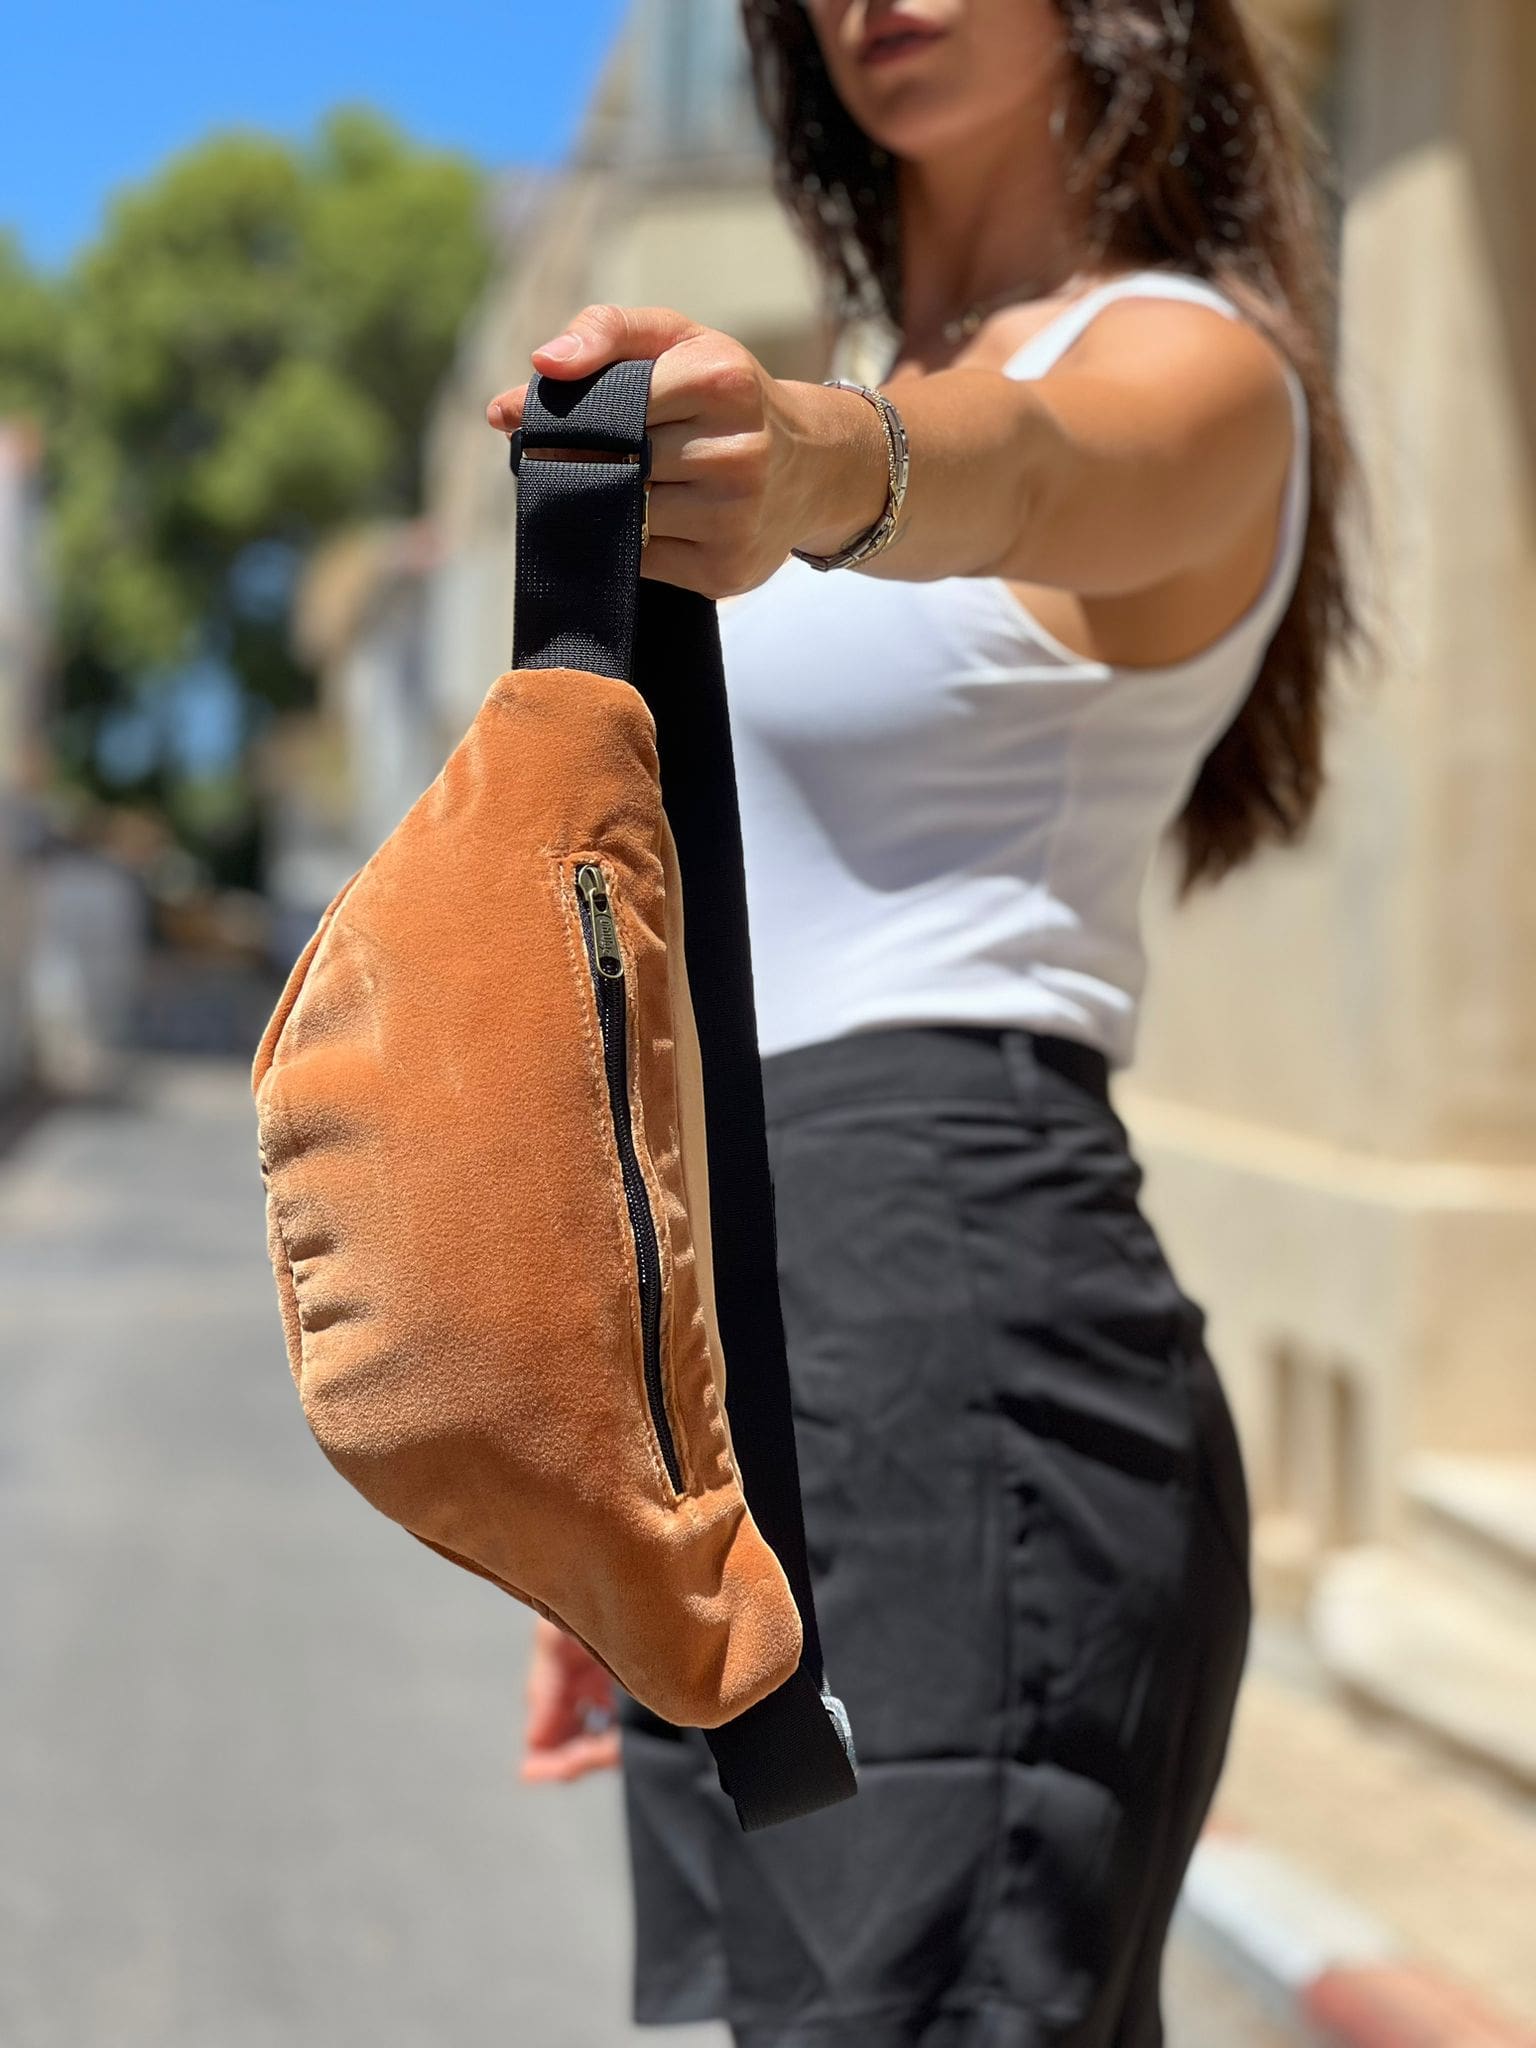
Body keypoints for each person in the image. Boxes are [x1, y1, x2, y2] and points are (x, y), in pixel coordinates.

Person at [487, 0, 1357, 2040]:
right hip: (759, 1354)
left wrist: (821, 461)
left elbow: (1033, 470)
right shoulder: (885, 371)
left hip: (960, 1313)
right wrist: (634, 1458)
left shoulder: (1193, 363)